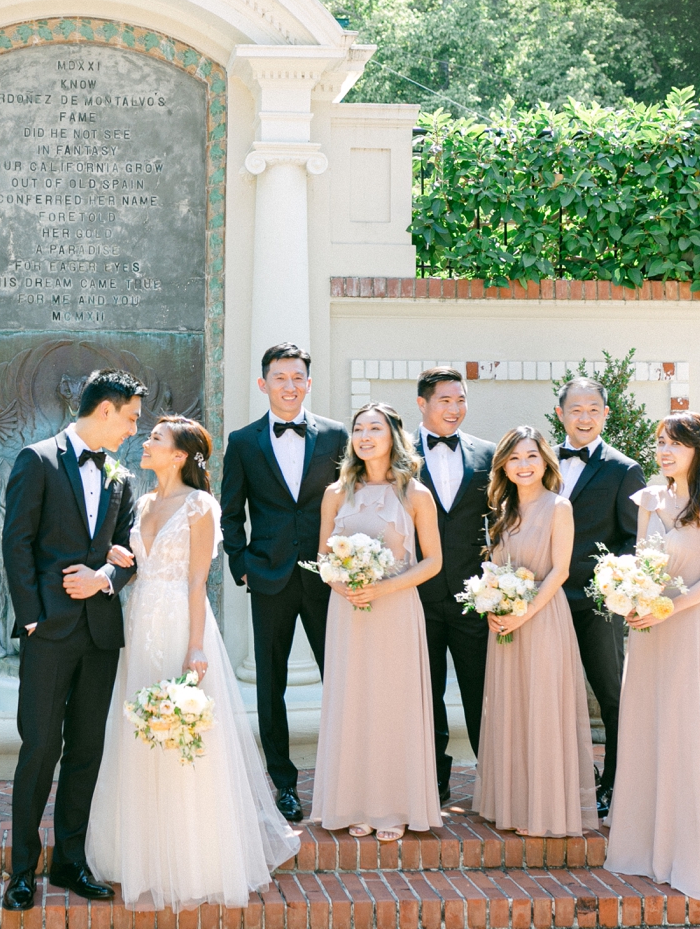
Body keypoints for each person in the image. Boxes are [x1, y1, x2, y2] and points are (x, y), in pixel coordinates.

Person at [87, 417, 299, 907]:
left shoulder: (201, 505)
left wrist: (196, 645)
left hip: (181, 623)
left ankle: (192, 853)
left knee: (182, 727)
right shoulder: (140, 503)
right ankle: (138, 845)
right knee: (140, 725)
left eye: (156, 438)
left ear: (180, 455)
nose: (146, 442)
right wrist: (120, 558)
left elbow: (198, 580)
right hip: (139, 624)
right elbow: (139, 567)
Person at [0, 369, 143, 913]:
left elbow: (128, 551)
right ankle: (21, 869)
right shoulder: (35, 460)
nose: (133, 429)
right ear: (105, 411)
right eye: (130, 418)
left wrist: (106, 578)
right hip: (50, 632)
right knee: (40, 748)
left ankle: (70, 861)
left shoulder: (122, 478)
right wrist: (33, 618)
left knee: (86, 750)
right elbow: (16, 544)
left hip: (101, 633)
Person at [605, 414, 700, 899]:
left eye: (676, 443)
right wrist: (627, 595)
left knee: (686, 729)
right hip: (646, 631)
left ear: (699, 449)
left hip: (686, 628)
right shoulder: (648, 498)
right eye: (661, 443)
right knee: (647, 726)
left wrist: (666, 607)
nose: (665, 451)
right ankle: (647, 849)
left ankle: (689, 852)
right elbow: (638, 561)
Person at [219, 342, 348, 823]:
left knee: (339, 676)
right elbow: (230, 513)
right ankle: (285, 783)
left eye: (298, 378)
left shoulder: (336, 436)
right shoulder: (244, 442)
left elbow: (352, 501)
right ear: (263, 384)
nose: (289, 386)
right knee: (270, 684)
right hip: (268, 575)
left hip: (327, 579)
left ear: (308, 383)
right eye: (280, 378)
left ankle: (342, 776)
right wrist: (242, 563)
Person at [312, 402, 442, 839]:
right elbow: (322, 558)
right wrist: (343, 586)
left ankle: (394, 807)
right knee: (354, 701)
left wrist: (381, 588)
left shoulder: (416, 495)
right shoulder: (336, 493)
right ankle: (355, 804)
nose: (365, 436)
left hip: (396, 607)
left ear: (393, 437)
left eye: (375, 429)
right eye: (359, 429)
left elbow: (433, 563)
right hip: (348, 610)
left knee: (393, 703)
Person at [472, 425, 598, 838]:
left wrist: (523, 614)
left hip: (542, 620)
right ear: (503, 466)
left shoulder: (558, 507)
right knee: (512, 709)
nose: (523, 465)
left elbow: (560, 571)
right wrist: (491, 602)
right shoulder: (501, 511)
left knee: (543, 710)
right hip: (506, 625)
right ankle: (511, 803)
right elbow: (495, 569)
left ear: (545, 461)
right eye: (514, 458)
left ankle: (544, 812)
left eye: (531, 456)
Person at [553, 377, 645, 821]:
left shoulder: (623, 469)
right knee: (550, 695)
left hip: (596, 604)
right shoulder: (541, 461)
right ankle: (571, 779)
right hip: (546, 603)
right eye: (576, 409)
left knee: (611, 695)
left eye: (593, 409)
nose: (585, 417)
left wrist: (611, 582)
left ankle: (616, 783)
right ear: (560, 415)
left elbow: (633, 538)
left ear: (605, 414)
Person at [412, 367, 494, 807]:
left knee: (482, 690)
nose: (455, 408)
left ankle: (495, 779)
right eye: (445, 400)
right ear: (422, 404)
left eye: (460, 400)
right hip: (418, 596)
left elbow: (501, 522)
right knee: (427, 693)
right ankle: (433, 780)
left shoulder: (488, 453)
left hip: (471, 596)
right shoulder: (397, 453)